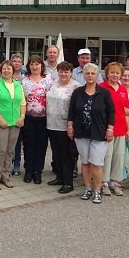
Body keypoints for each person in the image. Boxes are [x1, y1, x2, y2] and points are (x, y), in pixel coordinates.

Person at [67, 63, 114, 204]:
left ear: (97, 75)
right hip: (81, 132)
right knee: (85, 162)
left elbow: (111, 112)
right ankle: (88, 188)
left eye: (93, 73)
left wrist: (110, 129)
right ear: (84, 75)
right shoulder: (77, 92)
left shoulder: (104, 93)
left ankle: (97, 190)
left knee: (96, 164)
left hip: (99, 132)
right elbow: (71, 111)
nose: (90, 76)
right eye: (87, 73)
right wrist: (70, 126)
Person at [0, 60, 26, 190]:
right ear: (1, 70)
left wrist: (22, 116)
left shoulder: (18, 85)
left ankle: (6, 176)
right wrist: (0, 119)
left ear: (13, 71)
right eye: (4, 69)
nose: (6, 71)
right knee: (0, 151)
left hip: (15, 123)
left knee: (10, 152)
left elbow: (22, 103)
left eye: (9, 69)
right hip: (0, 124)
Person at [46, 61, 81, 193]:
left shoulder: (76, 87)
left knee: (67, 154)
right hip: (51, 124)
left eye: (66, 71)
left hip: (66, 126)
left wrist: (72, 124)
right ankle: (60, 177)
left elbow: (77, 108)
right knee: (56, 153)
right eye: (61, 71)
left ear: (71, 73)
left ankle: (68, 183)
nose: (63, 73)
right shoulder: (54, 83)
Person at [99, 62, 129, 196]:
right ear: (107, 73)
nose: (115, 75)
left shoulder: (123, 89)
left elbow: (126, 111)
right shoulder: (101, 88)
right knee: (106, 157)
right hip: (106, 128)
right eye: (112, 72)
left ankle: (115, 182)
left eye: (118, 73)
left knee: (119, 156)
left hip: (121, 128)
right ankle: (104, 182)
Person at [20, 55, 51, 184]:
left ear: (41, 66)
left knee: (41, 146)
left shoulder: (48, 80)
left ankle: (38, 171)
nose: (34, 66)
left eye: (37, 64)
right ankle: (28, 170)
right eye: (32, 64)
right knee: (29, 144)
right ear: (28, 66)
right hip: (29, 118)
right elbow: (22, 100)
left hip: (44, 118)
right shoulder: (24, 81)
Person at [10, 52, 26, 174]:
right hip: (9, 111)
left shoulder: (26, 76)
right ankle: (9, 163)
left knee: (19, 140)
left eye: (19, 61)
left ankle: (17, 164)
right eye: (14, 61)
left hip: (23, 110)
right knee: (10, 140)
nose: (17, 63)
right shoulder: (6, 74)